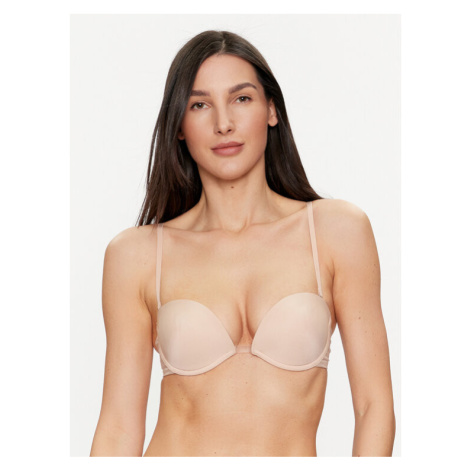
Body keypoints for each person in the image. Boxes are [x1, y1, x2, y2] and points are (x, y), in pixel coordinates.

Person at [90, 30, 395, 457]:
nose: (223, 124)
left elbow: (373, 407)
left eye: (242, 98)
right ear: (179, 126)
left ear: (271, 109)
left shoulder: (336, 232)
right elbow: (118, 428)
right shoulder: (136, 255)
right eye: (199, 105)